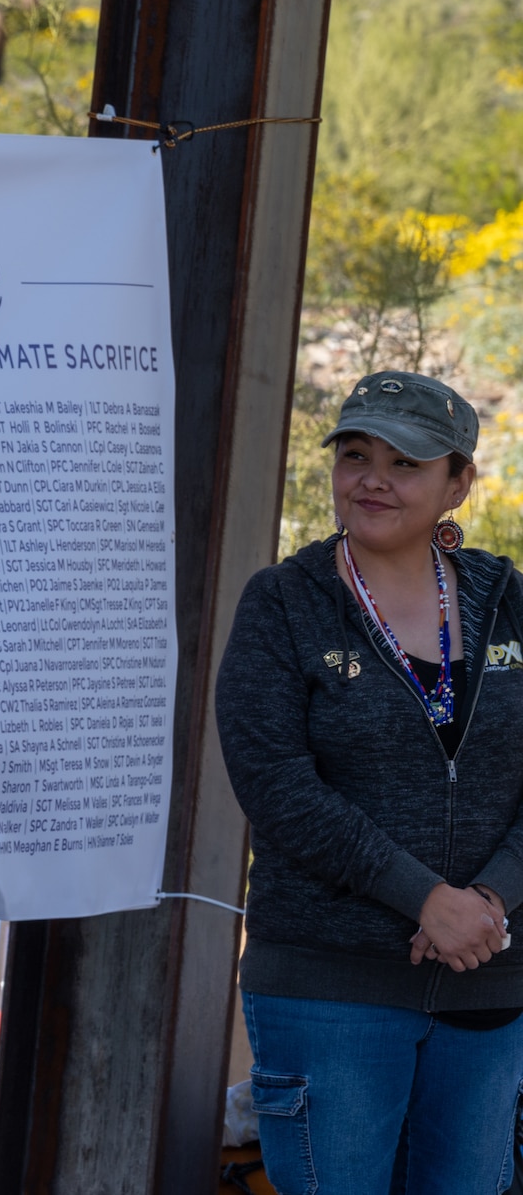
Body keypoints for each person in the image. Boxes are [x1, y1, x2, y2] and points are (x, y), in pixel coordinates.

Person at [218, 371, 523, 1194]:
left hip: (486, 982)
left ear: (458, 481)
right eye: (356, 455)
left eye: (406, 462)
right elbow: (277, 787)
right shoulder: (284, 603)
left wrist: (489, 901)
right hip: (330, 987)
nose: (373, 480)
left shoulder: (510, 602)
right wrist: (426, 898)